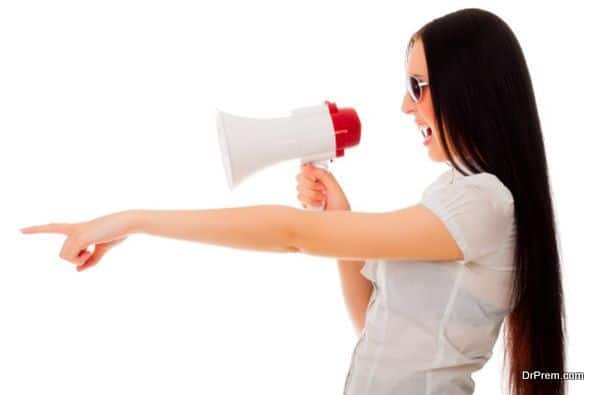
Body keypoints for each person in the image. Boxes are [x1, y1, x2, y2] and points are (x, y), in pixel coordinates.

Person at [20, 8, 565, 395]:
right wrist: (341, 217)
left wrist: (133, 220)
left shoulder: (484, 202)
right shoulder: (448, 194)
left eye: (418, 85)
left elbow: (292, 234)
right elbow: (374, 330)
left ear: (469, 88)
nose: (405, 104)